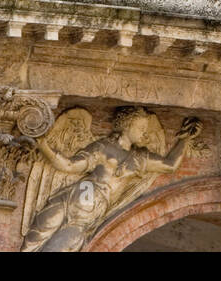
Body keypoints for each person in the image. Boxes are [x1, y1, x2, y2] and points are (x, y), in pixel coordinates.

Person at [22, 108, 201, 252]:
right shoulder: (103, 147)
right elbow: (69, 166)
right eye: (140, 128)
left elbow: (170, 165)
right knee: (33, 240)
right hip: (68, 199)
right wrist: (42, 143)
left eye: (145, 130)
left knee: (62, 245)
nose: (144, 134)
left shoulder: (140, 158)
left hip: (87, 216)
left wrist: (184, 140)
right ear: (127, 126)